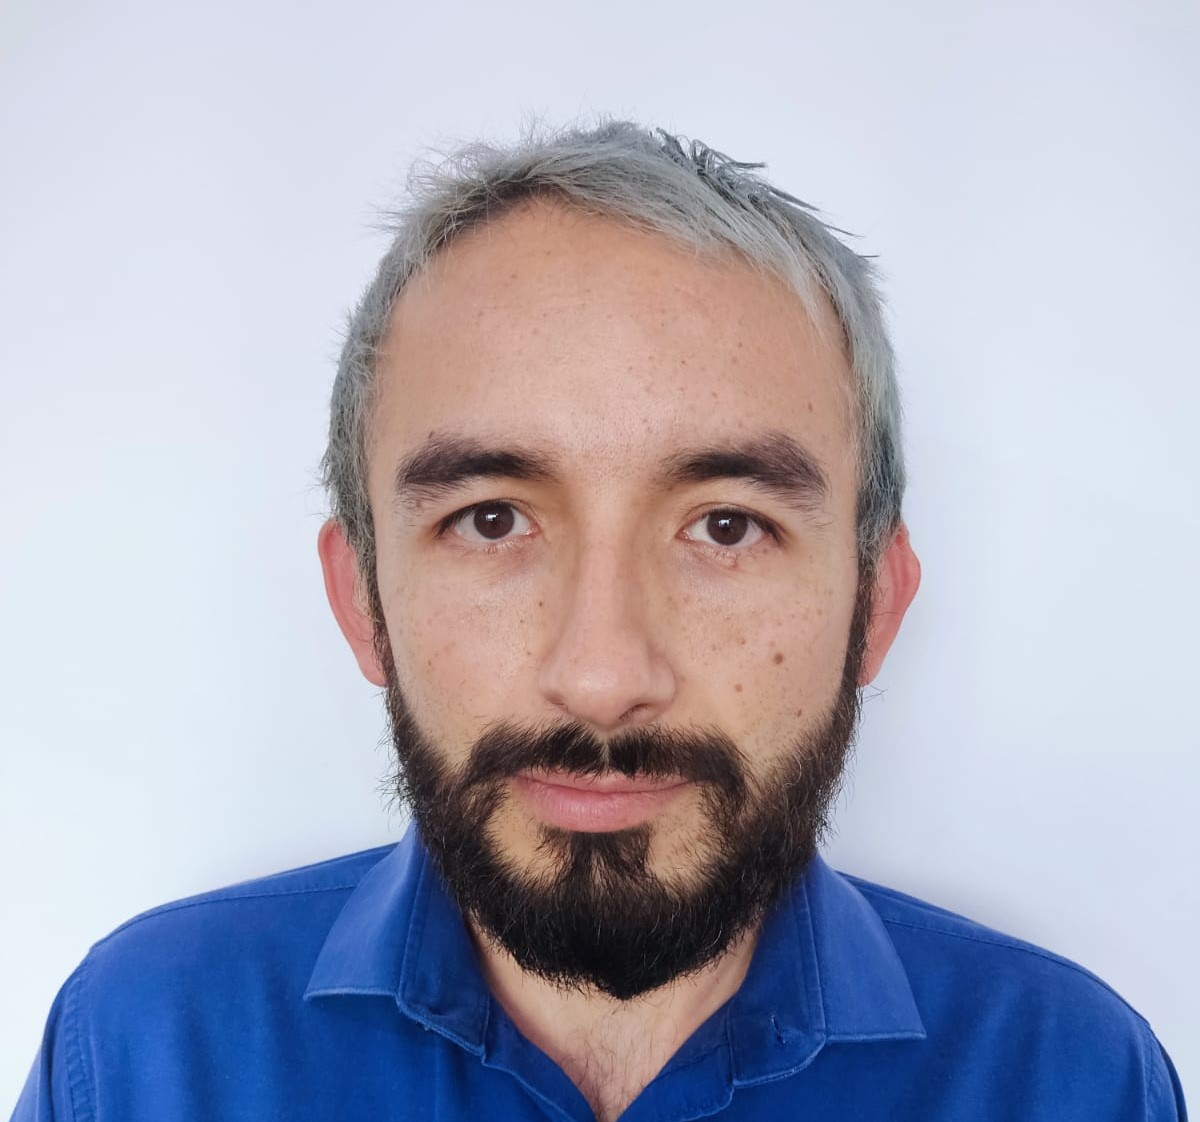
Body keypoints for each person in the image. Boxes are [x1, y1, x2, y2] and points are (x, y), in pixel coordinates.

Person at [11, 121, 1187, 1122]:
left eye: (726, 526)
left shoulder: (1070, 1079)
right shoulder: (143, 1053)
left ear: (874, 606)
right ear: (362, 600)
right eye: (490, 520)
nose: (603, 675)